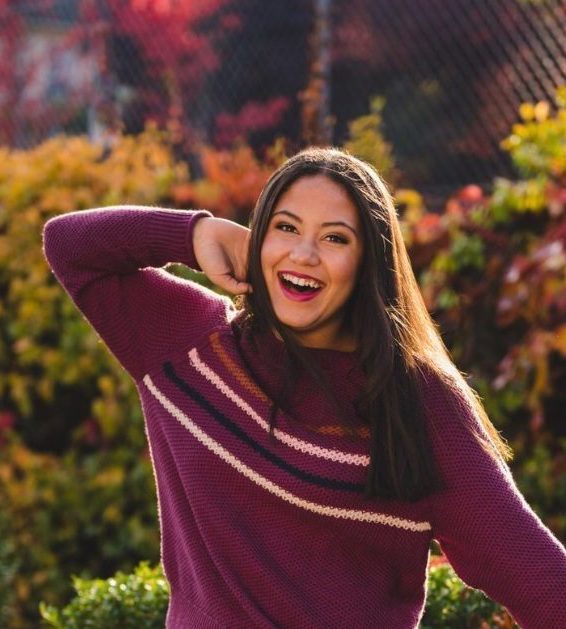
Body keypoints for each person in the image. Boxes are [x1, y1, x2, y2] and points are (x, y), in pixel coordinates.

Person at [43, 147, 566, 628]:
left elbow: (539, 580)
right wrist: (195, 234)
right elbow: (69, 245)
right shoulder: (187, 344)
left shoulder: (417, 403)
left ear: (370, 262)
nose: (304, 254)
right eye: (285, 228)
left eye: (336, 238)